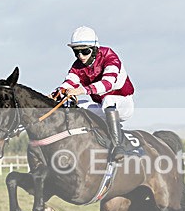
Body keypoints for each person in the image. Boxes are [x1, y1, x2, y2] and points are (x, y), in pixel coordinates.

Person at [50, 26, 141, 161]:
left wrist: (83, 90)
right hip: (102, 107)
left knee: (108, 99)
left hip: (122, 104)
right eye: (76, 52)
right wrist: (55, 94)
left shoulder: (109, 56)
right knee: (73, 105)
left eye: (85, 51)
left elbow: (108, 83)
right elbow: (69, 82)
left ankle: (118, 147)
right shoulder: (78, 65)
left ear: (95, 49)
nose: (80, 56)